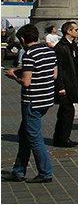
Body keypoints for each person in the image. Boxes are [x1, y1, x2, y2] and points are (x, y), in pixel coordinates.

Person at [4, 24, 57, 183]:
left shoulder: (29, 55)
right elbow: (53, 75)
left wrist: (14, 76)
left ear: (21, 39)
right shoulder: (50, 51)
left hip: (32, 101)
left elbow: (26, 82)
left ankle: (45, 172)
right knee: (24, 134)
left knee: (34, 137)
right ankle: (18, 171)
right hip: (46, 99)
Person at [53, 22, 78, 148]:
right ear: (68, 31)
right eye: (76, 29)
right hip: (66, 84)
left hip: (72, 83)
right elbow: (59, 68)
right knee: (67, 111)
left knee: (66, 111)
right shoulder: (61, 47)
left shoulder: (71, 45)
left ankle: (62, 137)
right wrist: (60, 86)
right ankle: (62, 138)